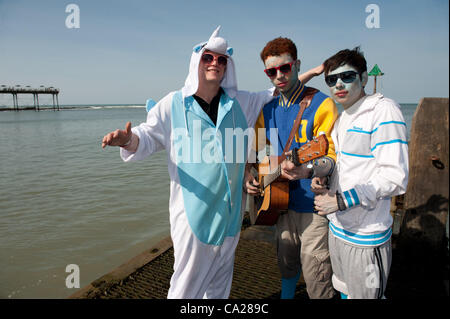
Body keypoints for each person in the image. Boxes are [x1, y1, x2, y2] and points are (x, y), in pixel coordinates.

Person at [101, 26, 278, 299]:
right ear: (196, 61)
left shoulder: (239, 102)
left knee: (219, 286)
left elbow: (275, 91)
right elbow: (147, 137)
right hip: (194, 218)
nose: (215, 63)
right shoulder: (173, 104)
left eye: (221, 59)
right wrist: (127, 140)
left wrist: (310, 73)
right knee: (185, 289)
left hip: (231, 217)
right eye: (208, 57)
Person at [244, 37, 338, 299]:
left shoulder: (323, 104)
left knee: (317, 272)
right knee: (286, 263)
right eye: (271, 71)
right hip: (280, 203)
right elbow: (256, 148)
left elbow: (330, 153)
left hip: (314, 205)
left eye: (285, 68)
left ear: (297, 65)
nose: (279, 76)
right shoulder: (268, 110)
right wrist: (250, 172)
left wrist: (310, 169)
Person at [313, 47, 409, 299]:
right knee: (343, 290)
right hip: (338, 228)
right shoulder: (343, 117)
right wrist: (321, 175)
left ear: (364, 78)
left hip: (366, 235)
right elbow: (341, 163)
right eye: (332, 80)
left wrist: (341, 200)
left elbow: (395, 177)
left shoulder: (383, 111)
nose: (339, 84)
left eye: (347, 76)